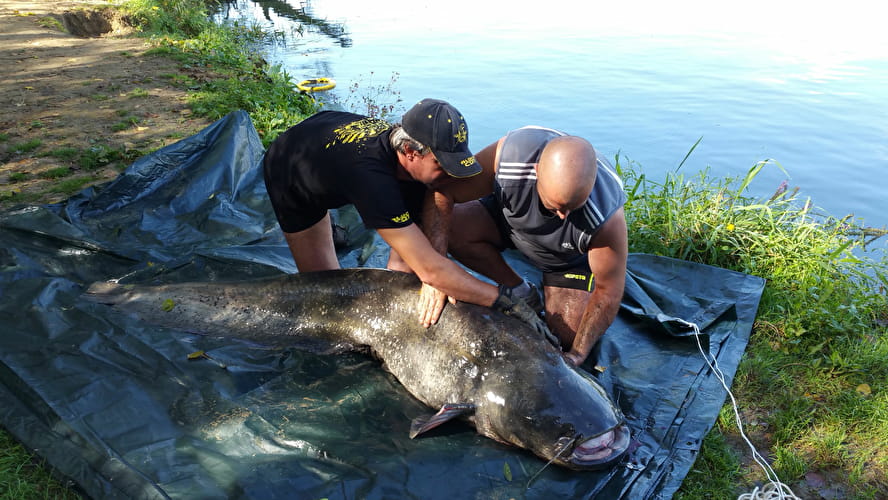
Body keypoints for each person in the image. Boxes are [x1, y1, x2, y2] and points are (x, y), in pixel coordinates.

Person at [262, 99, 549, 337]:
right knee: (326, 290)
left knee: (407, 273)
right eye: (442, 165)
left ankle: (334, 227)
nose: (450, 175)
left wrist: (428, 276)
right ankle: (324, 227)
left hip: (330, 143)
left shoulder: (413, 162)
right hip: (291, 168)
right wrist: (504, 302)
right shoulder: (374, 180)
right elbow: (432, 271)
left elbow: (416, 263)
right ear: (410, 152)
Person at [448, 126, 628, 366]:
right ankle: (518, 289)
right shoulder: (509, 157)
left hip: (563, 259)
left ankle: (554, 288)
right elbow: (444, 193)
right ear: (536, 173)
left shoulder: (607, 219)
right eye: (555, 206)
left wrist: (577, 354)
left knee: (565, 337)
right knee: (452, 227)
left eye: (572, 208)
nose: (563, 216)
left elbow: (608, 291)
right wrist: (435, 268)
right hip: (508, 223)